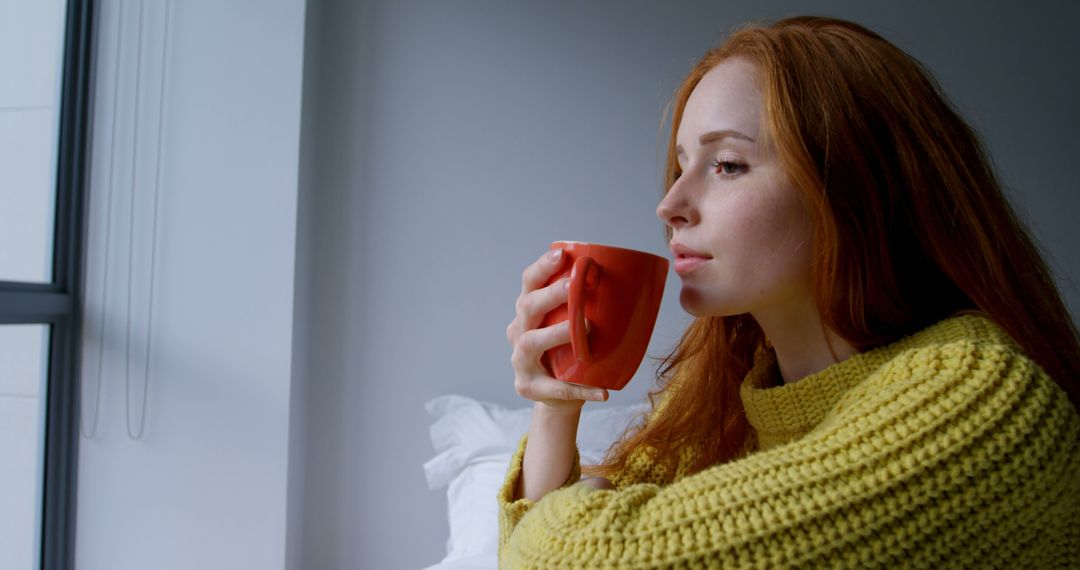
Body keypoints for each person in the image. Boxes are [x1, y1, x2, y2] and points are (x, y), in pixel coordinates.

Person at [500, 15, 1080, 569]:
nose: (670, 205)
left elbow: (565, 559)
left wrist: (569, 521)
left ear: (853, 187)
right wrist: (557, 403)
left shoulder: (983, 396)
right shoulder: (731, 390)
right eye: (681, 165)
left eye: (727, 164)